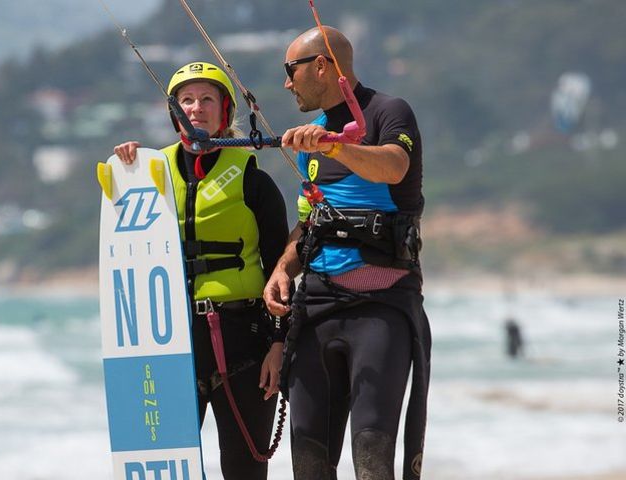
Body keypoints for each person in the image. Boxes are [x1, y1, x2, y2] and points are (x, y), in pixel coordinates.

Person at [263, 27, 431, 480]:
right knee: (309, 466)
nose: (286, 83)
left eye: (290, 70)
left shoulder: (387, 112)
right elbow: (310, 222)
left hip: (381, 309)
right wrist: (283, 268)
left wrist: (337, 144)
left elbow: (394, 166)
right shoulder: (312, 138)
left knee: (372, 463)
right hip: (315, 306)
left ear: (321, 65)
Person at [113, 62, 288, 480]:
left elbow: (282, 269)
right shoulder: (148, 176)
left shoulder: (253, 181)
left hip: (244, 341)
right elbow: (122, 240)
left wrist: (279, 346)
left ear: (225, 109)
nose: (196, 108)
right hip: (171, 344)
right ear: (174, 111)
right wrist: (126, 169)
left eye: (207, 99)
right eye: (186, 100)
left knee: (244, 471)